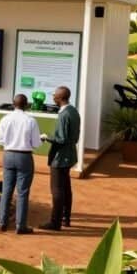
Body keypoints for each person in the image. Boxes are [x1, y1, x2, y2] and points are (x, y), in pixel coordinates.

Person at [0, 94, 42, 234]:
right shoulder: (30, 120)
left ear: (13, 104)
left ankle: (2, 222)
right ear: (26, 104)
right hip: (24, 157)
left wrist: (10, 142)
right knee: (22, 192)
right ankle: (20, 226)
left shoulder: (5, 119)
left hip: (8, 155)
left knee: (7, 190)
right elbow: (36, 143)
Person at [40, 86, 81, 231]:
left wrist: (46, 137)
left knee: (57, 190)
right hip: (69, 156)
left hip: (60, 157)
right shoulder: (73, 111)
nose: (53, 97)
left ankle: (55, 222)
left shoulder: (64, 115)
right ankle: (66, 218)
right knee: (66, 188)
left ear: (60, 98)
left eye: (55, 96)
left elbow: (61, 138)